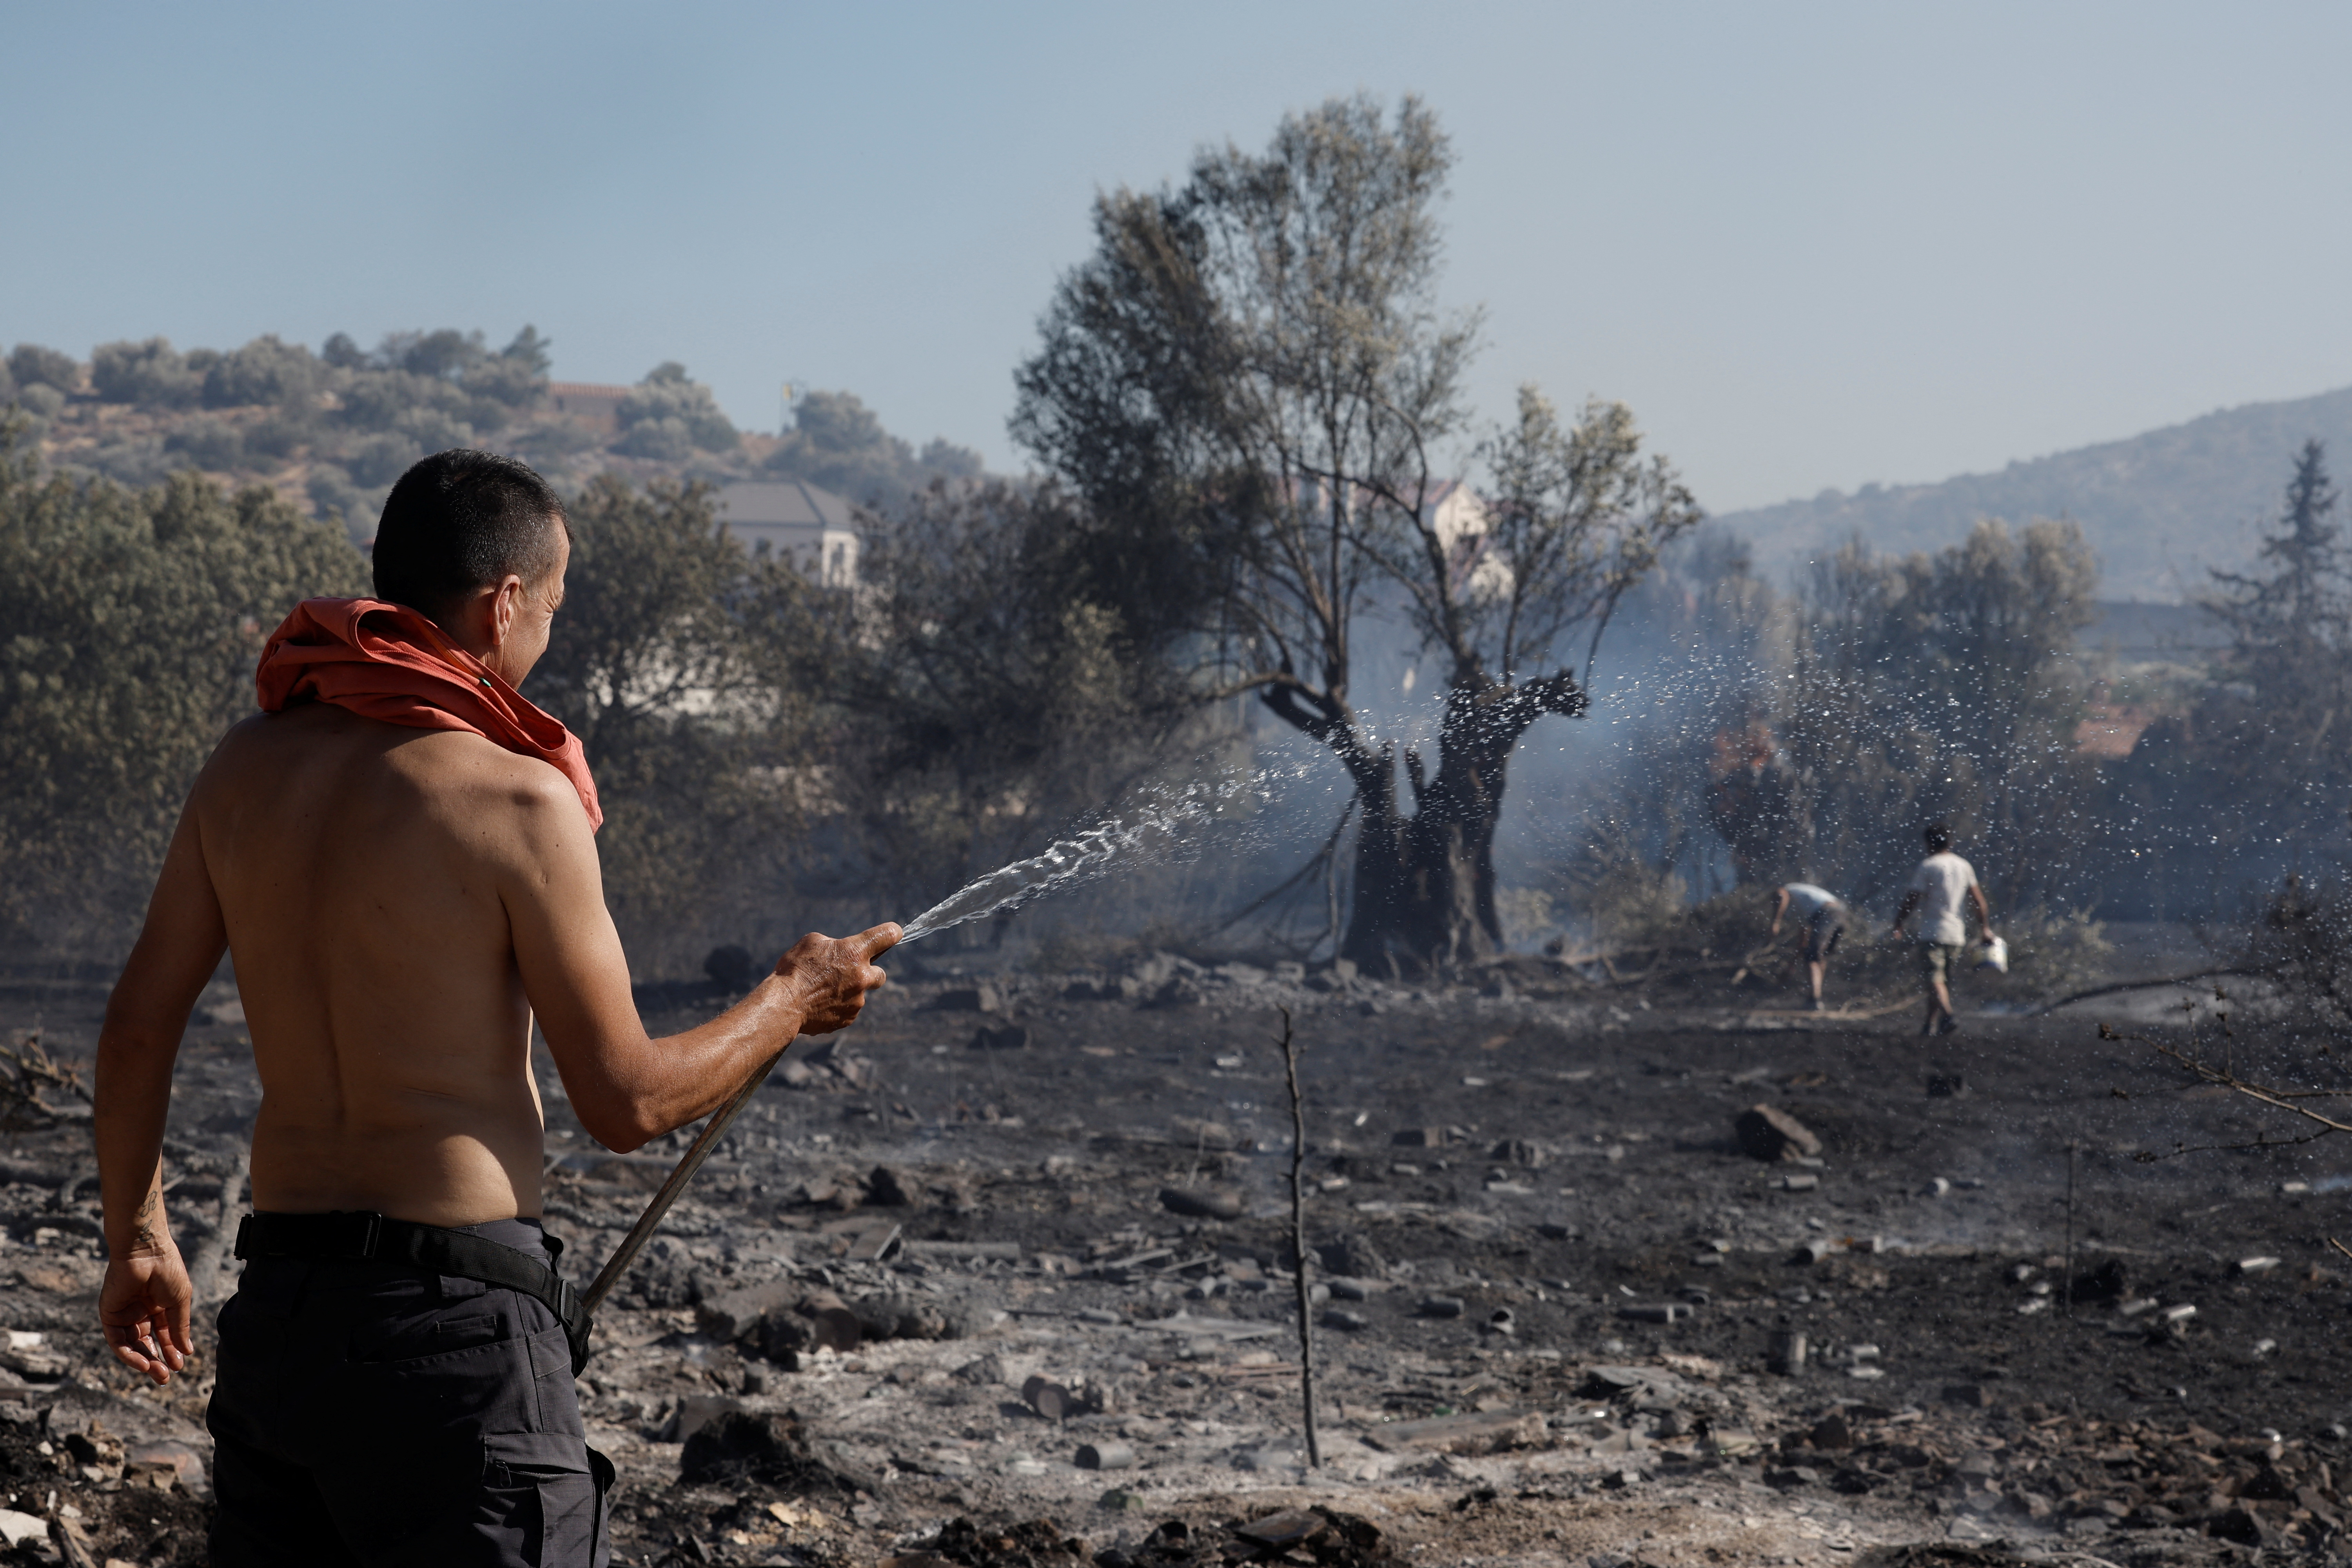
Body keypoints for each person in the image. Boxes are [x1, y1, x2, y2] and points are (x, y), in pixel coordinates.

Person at [92, 448, 898, 1567]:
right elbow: (625, 1102)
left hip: (282, 1322)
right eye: (553, 607)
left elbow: (137, 1028)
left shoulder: (244, 770)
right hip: (455, 1348)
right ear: (504, 601)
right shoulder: (518, 799)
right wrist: (793, 996)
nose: (547, 639)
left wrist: (137, 1241)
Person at [1890, 820, 1993, 1036]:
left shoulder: (1929, 866)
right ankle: (1930, 1026)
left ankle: (1948, 1016)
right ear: (1951, 842)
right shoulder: (1964, 866)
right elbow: (1978, 901)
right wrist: (1985, 928)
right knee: (1941, 982)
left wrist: (1899, 922)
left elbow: (1912, 899)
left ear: (1929, 844)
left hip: (1933, 931)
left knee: (1934, 980)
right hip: (1956, 934)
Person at [1767, 880, 1846, 1011]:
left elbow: (1781, 895)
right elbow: (1802, 942)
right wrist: (1791, 965)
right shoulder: (1802, 904)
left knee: (1812, 957)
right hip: (1840, 915)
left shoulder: (1787, 891)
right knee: (1820, 956)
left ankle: (1814, 1000)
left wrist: (1775, 923)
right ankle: (1815, 998)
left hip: (1827, 913)